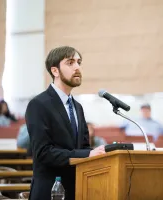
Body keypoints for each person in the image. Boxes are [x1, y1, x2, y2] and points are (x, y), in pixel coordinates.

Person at [25, 46, 106, 200]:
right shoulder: (38, 104)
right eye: (70, 63)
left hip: (77, 189)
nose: (77, 67)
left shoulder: (77, 107)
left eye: (79, 62)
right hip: (49, 190)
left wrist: (99, 154)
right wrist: (88, 154)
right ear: (55, 71)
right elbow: (43, 153)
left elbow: (83, 147)